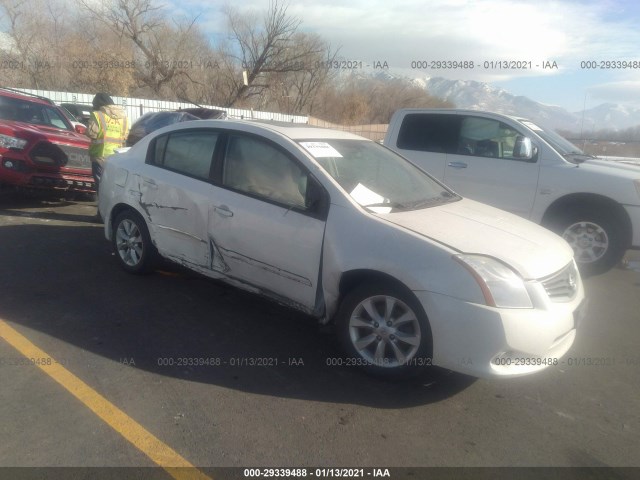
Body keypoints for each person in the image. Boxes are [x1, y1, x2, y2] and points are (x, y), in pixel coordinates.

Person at [86, 93, 129, 221]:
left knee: (101, 186)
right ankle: (112, 215)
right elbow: (125, 136)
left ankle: (102, 214)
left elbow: (91, 133)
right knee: (114, 187)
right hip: (117, 157)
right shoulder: (124, 117)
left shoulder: (97, 115)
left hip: (100, 156)